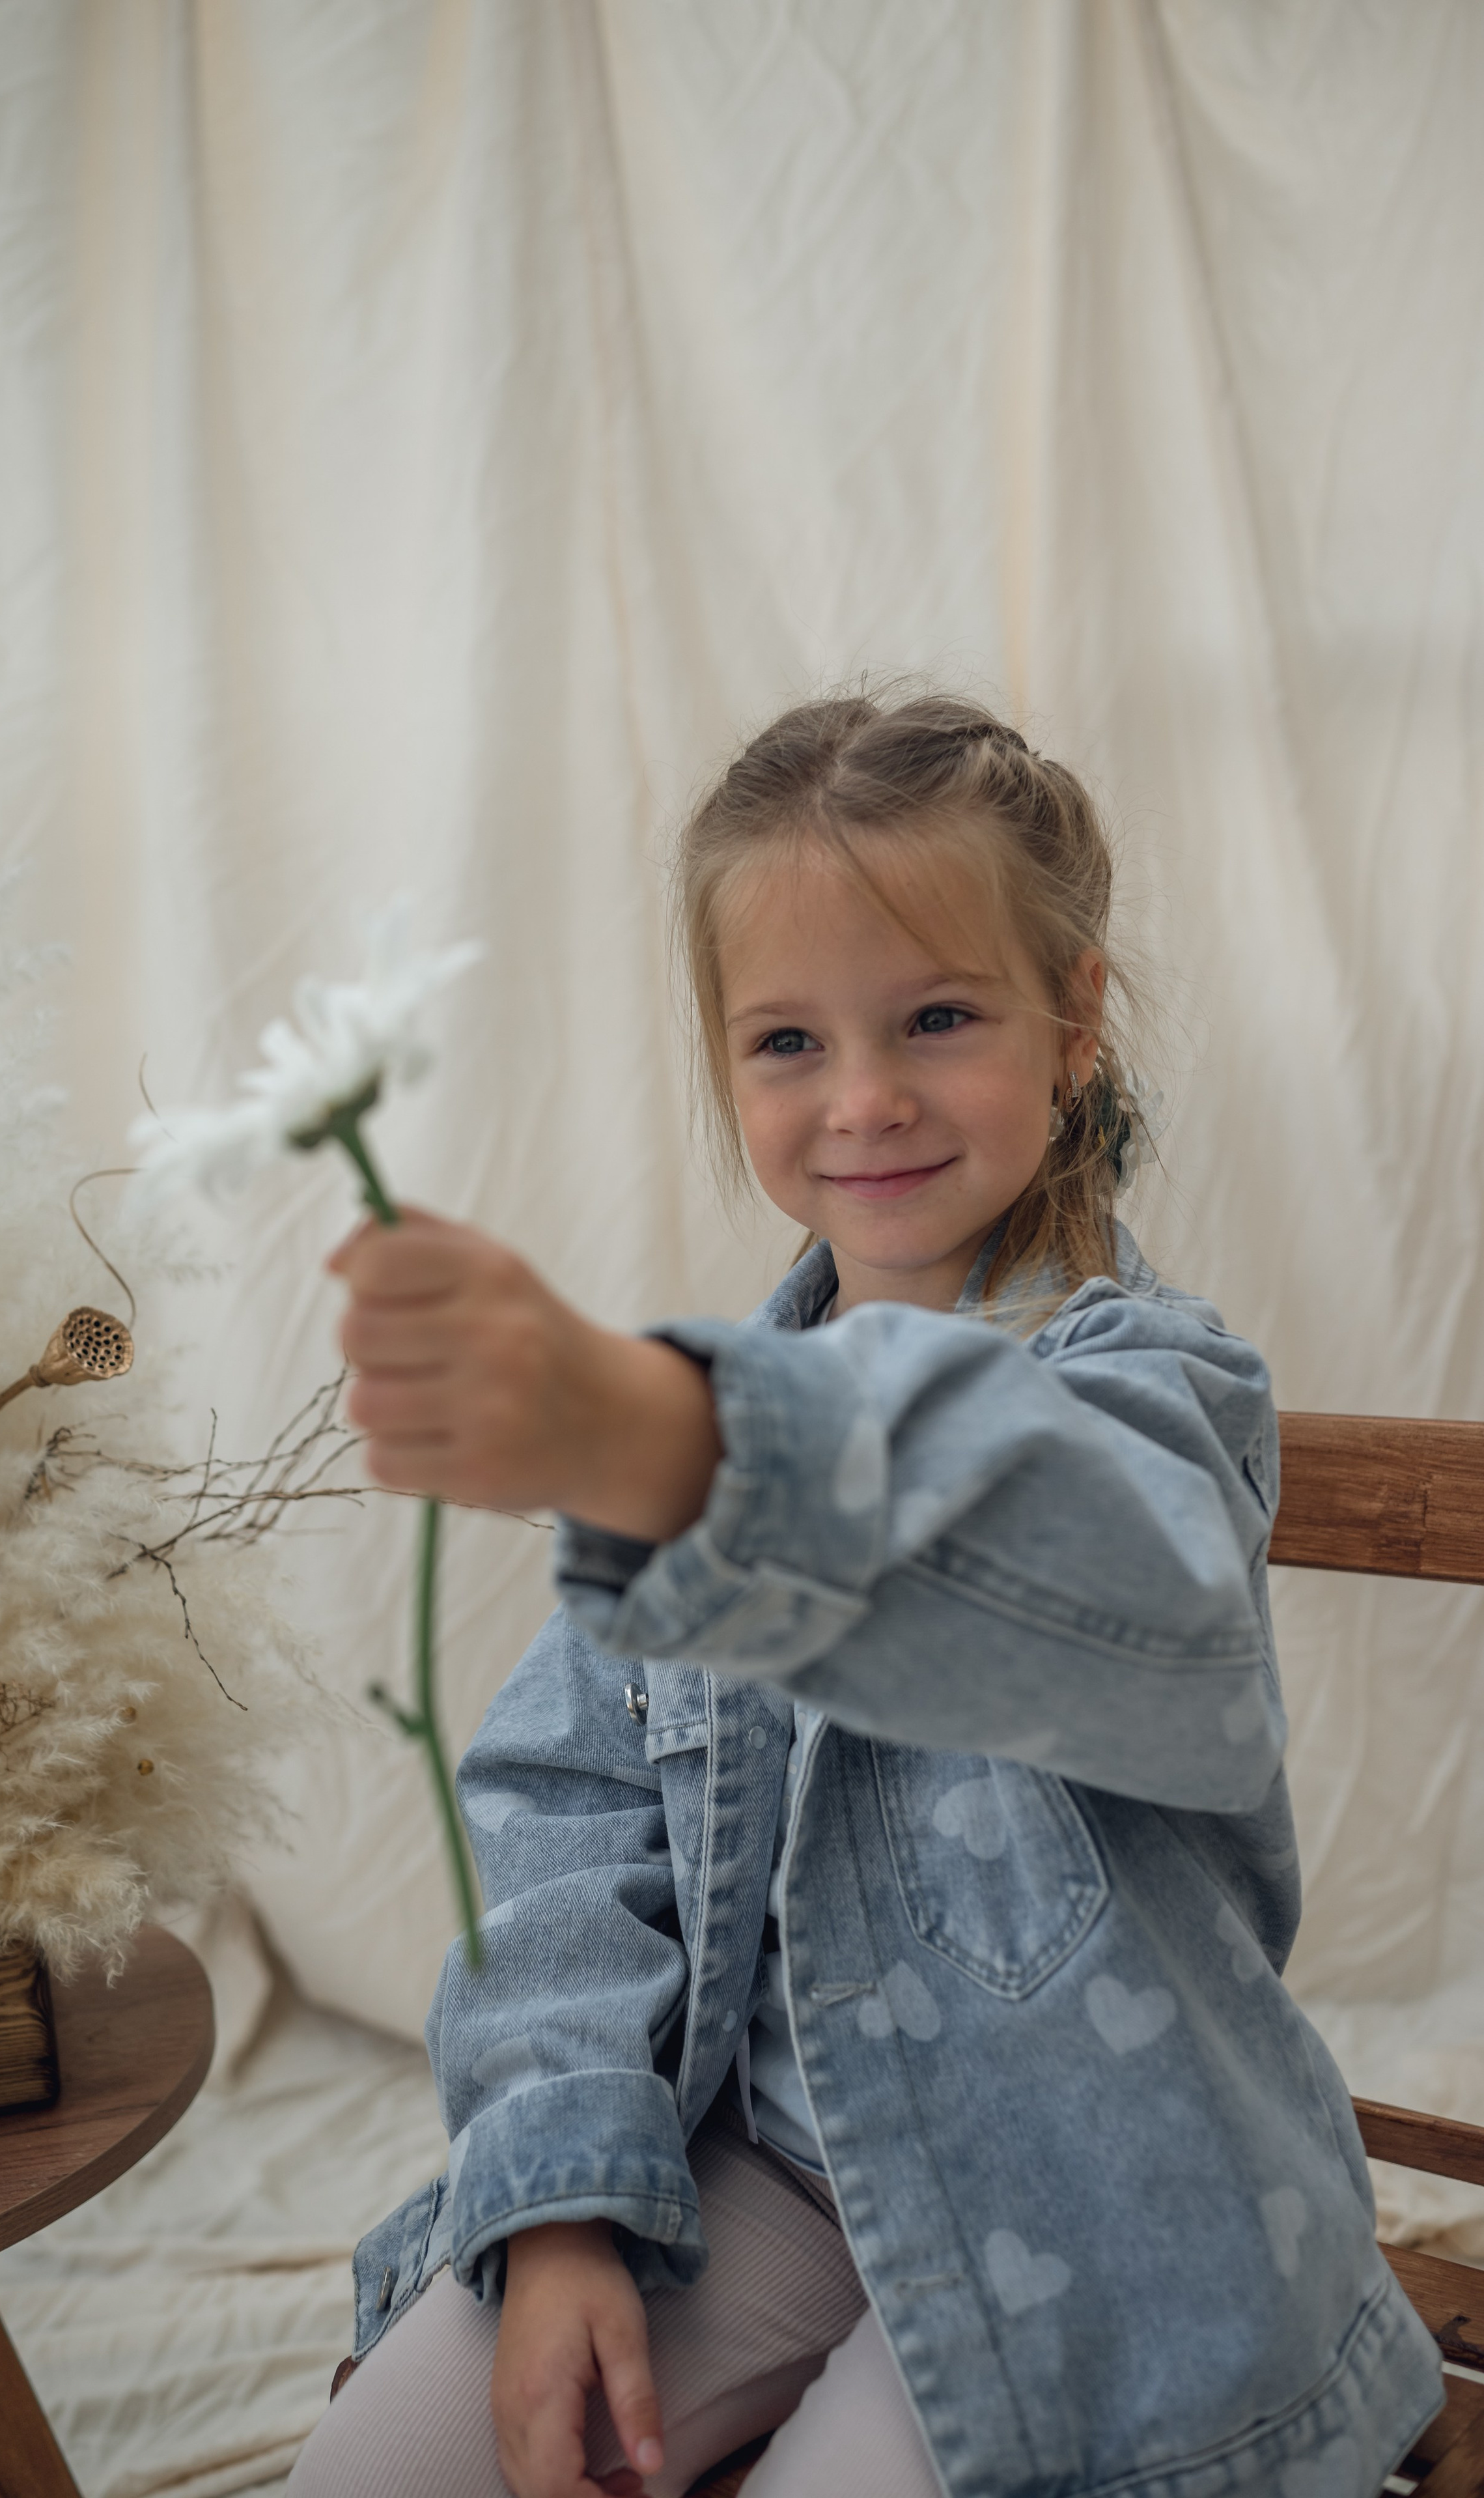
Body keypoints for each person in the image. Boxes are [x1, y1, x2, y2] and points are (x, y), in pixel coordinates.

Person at [288, 693, 1440, 2498]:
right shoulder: (715, 1384)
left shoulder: (1156, 1389)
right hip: (747, 2164)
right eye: (788, 1040)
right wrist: (573, 2206)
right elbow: (561, 1818)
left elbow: (1140, 1603)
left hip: (1095, 2206)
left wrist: (678, 1445)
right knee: (383, 2467)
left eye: (939, 1017)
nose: (866, 1097)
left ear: (1073, 1021)